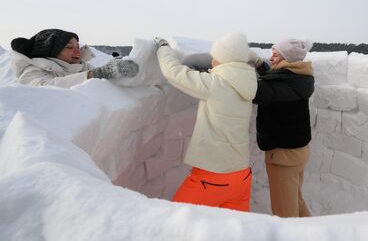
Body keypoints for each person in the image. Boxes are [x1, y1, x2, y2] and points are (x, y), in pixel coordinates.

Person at [154, 33, 258, 212]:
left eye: (215, 57)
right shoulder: (246, 84)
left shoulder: (215, 85)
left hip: (212, 179)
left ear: (223, 60)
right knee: (231, 235)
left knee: (175, 222)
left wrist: (163, 47)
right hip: (241, 177)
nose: (212, 61)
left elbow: (173, 72)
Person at [251, 38, 314, 217]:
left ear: (287, 59)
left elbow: (252, 89)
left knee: (284, 214)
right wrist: (260, 66)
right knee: (295, 200)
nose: (271, 59)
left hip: (283, 156)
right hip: (298, 152)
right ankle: (313, 238)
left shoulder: (282, 84)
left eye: (276, 55)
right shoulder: (300, 77)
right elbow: (275, 79)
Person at [10, 28, 139, 88]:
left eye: (78, 45)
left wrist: (115, 69)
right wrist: (96, 74)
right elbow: (45, 88)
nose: (78, 50)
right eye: (69, 47)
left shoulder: (82, 66)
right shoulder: (32, 71)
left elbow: (100, 79)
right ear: (52, 52)